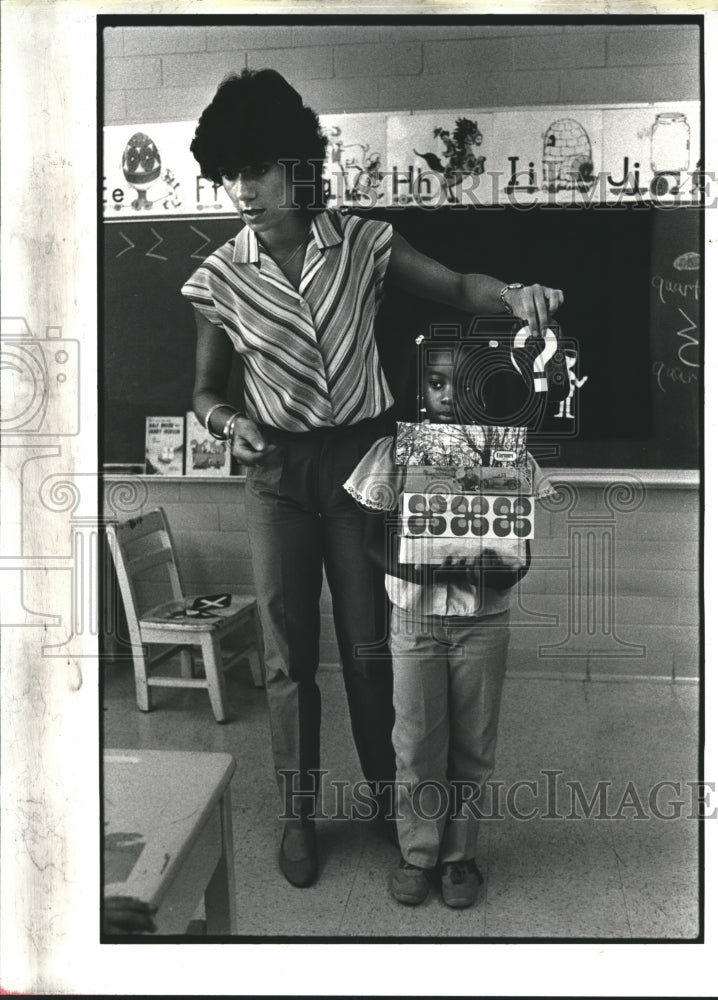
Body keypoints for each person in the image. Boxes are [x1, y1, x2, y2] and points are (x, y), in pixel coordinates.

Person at [182, 68, 563, 889]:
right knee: (287, 658)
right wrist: (228, 425)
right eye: (229, 173)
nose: (242, 190)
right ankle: (296, 813)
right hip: (277, 476)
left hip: (365, 466)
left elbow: (462, 287)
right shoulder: (219, 275)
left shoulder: (361, 241)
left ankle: (395, 807)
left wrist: (516, 294)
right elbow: (205, 392)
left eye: (257, 169)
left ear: (296, 166)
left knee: (368, 650)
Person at [344, 342, 556, 908]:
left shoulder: (510, 458)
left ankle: (460, 857)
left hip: (483, 622)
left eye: (463, 385)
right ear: (421, 389)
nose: (448, 396)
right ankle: (418, 853)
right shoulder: (394, 453)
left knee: (474, 746)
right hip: (414, 619)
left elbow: (521, 557)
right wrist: (423, 565)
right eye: (437, 383)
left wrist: (498, 570)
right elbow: (369, 542)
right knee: (414, 743)